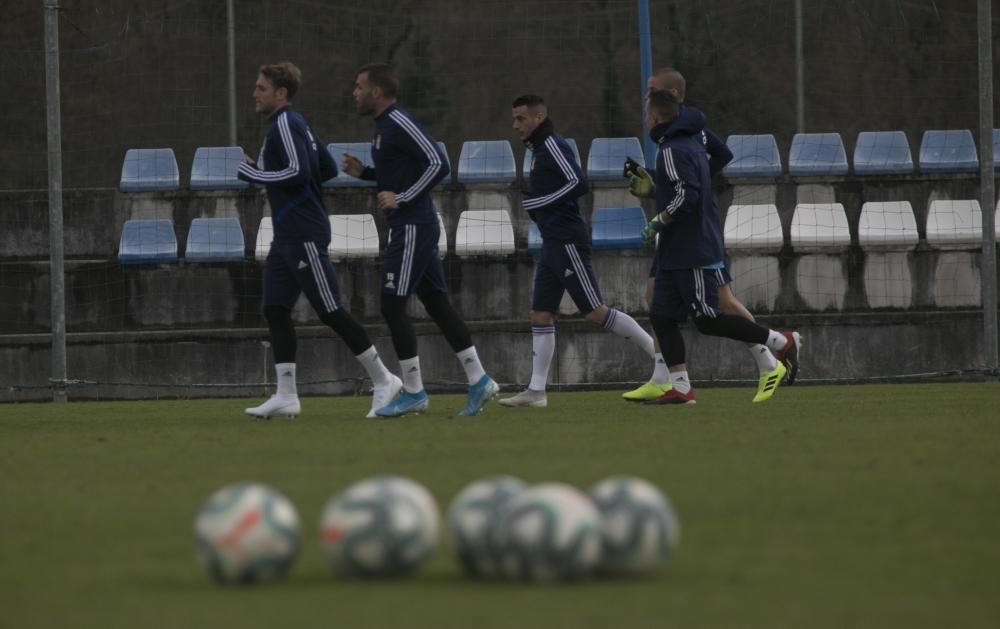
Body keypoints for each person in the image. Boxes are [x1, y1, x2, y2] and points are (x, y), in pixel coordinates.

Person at [622, 66, 801, 402]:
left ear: (669, 99)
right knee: (660, 310)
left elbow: (687, 192)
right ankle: (679, 386)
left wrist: (660, 217)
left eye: (651, 92)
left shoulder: (679, 142)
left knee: (712, 313)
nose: (646, 98)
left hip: (693, 240)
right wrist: (660, 189)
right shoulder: (682, 138)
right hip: (682, 240)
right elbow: (687, 184)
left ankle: (778, 344)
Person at [237, 62, 401, 419]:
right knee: (275, 309)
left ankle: (384, 379)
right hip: (287, 234)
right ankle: (286, 395)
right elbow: (325, 168)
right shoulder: (297, 123)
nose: (255, 93)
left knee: (329, 309)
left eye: (261, 88)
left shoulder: (284, 123)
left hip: (303, 233)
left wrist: (255, 173)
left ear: (281, 93)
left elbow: (299, 172)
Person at [341, 63, 498, 418]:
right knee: (437, 303)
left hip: (413, 225)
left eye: (359, 86)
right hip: (411, 224)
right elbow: (397, 172)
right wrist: (365, 173)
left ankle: (413, 391)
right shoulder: (382, 128)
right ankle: (479, 380)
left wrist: (404, 197)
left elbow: (438, 162)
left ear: (376, 92)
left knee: (392, 304)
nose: (354, 92)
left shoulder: (399, 121)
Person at [497, 94, 658, 408]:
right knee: (540, 314)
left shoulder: (553, 146)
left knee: (595, 311)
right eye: (514, 118)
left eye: (521, 118)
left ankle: (663, 360)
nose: (515, 125)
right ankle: (536, 392)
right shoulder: (538, 149)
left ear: (539, 118)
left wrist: (536, 202)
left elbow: (578, 182)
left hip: (567, 240)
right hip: (552, 242)